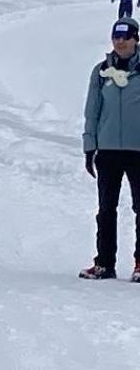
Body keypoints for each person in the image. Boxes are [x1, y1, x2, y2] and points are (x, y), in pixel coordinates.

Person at [80, 16, 140, 283]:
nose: (120, 41)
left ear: (136, 39)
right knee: (106, 208)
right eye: (116, 36)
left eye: (125, 36)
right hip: (107, 151)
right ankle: (104, 263)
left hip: (138, 150)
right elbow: (92, 111)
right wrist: (89, 146)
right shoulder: (101, 70)